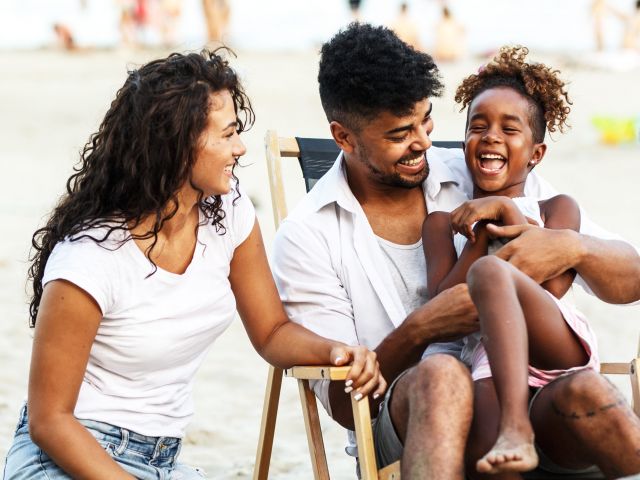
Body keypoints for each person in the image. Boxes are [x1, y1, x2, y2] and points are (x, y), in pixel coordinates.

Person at [272, 23, 640, 479]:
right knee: (443, 375)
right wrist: (422, 328)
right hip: (408, 416)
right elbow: (345, 406)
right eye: (399, 134)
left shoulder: (478, 173)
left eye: (427, 121)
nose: (425, 143)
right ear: (344, 138)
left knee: (587, 389)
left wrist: (570, 246)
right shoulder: (308, 235)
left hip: (536, 406)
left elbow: (631, 276)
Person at [3, 49, 385, 479]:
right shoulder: (89, 259)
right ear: (177, 145)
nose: (240, 148)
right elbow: (50, 421)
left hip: (162, 461)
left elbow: (272, 332)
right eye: (227, 135)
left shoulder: (230, 210)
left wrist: (333, 350)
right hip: (71, 457)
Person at [422, 46, 599, 475]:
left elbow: (552, 289)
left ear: (535, 154)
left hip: (556, 347)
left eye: (509, 128)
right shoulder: (442, 223)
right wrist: (480, 234)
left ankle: (518, 424)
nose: (490, 136)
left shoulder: (558, 209)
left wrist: (507, 212)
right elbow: (446, 303)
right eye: (477, 126)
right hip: (487, 354)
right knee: (491, 459)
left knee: (492, 275)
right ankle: (511, 432)